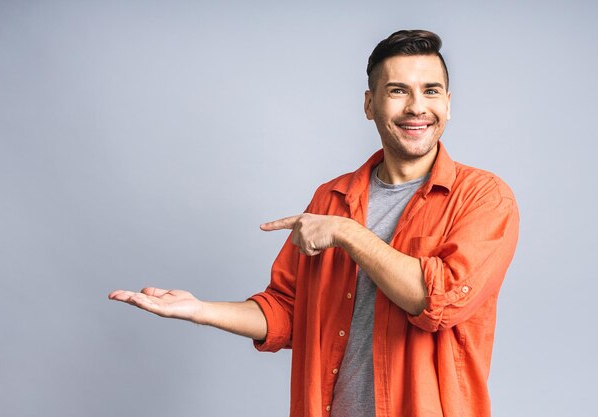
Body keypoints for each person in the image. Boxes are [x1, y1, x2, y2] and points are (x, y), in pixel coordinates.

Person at [109, 29, 519, 417]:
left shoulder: (483, 197)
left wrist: (346, 232)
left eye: (430, 91)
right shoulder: (332, 197)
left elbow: (437, 300)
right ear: (370, 104)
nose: (416, 106)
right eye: (398, 91)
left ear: (448, 102)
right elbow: (287, 311)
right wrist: (200, 310)